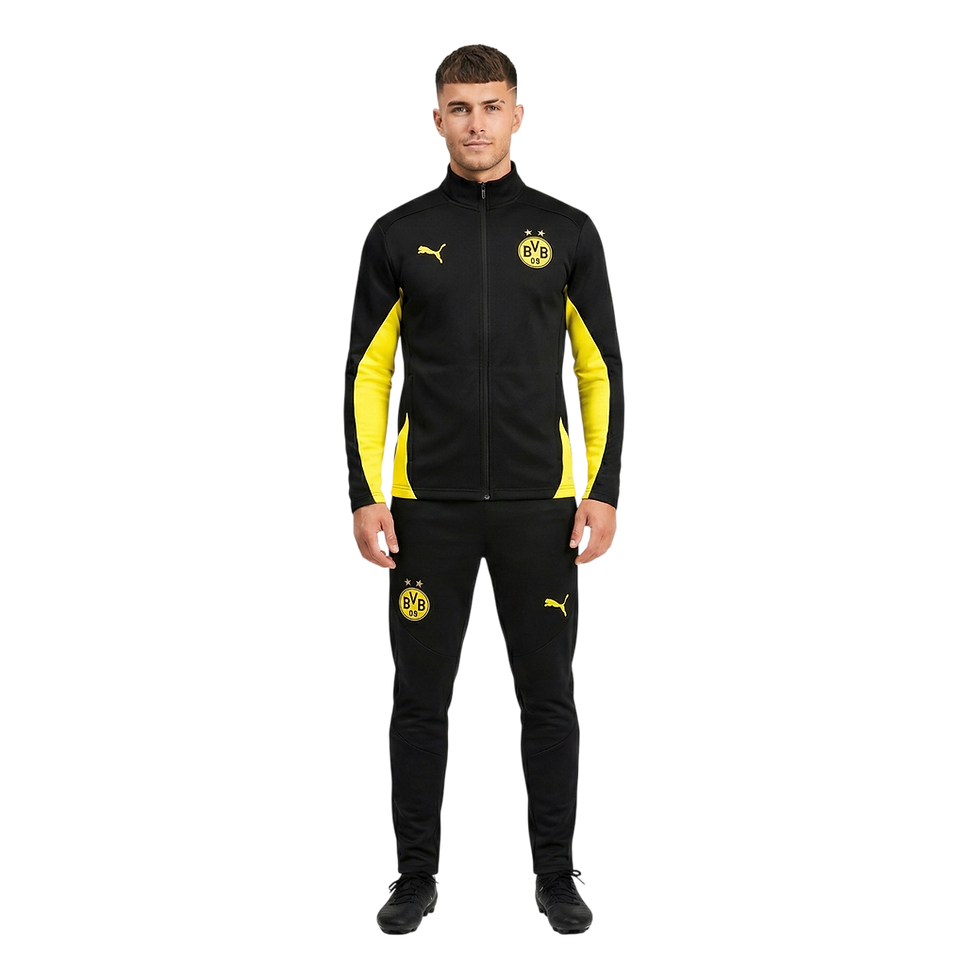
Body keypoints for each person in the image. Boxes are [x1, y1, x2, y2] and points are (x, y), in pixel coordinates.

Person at [345, 41, 624, 936]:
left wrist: (602, 488)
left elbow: (596, 371)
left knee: (548, 697)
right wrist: (366, 492)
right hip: (424, 507)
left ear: (520, 116)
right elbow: (370, 375)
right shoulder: (397, 235)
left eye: (492, 106)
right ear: (436, 121)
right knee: (420, 701)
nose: (477, 123)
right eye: (460, 108)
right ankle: (414, 879)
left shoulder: (566, 231)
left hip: (543, 507)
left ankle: (557, 879)